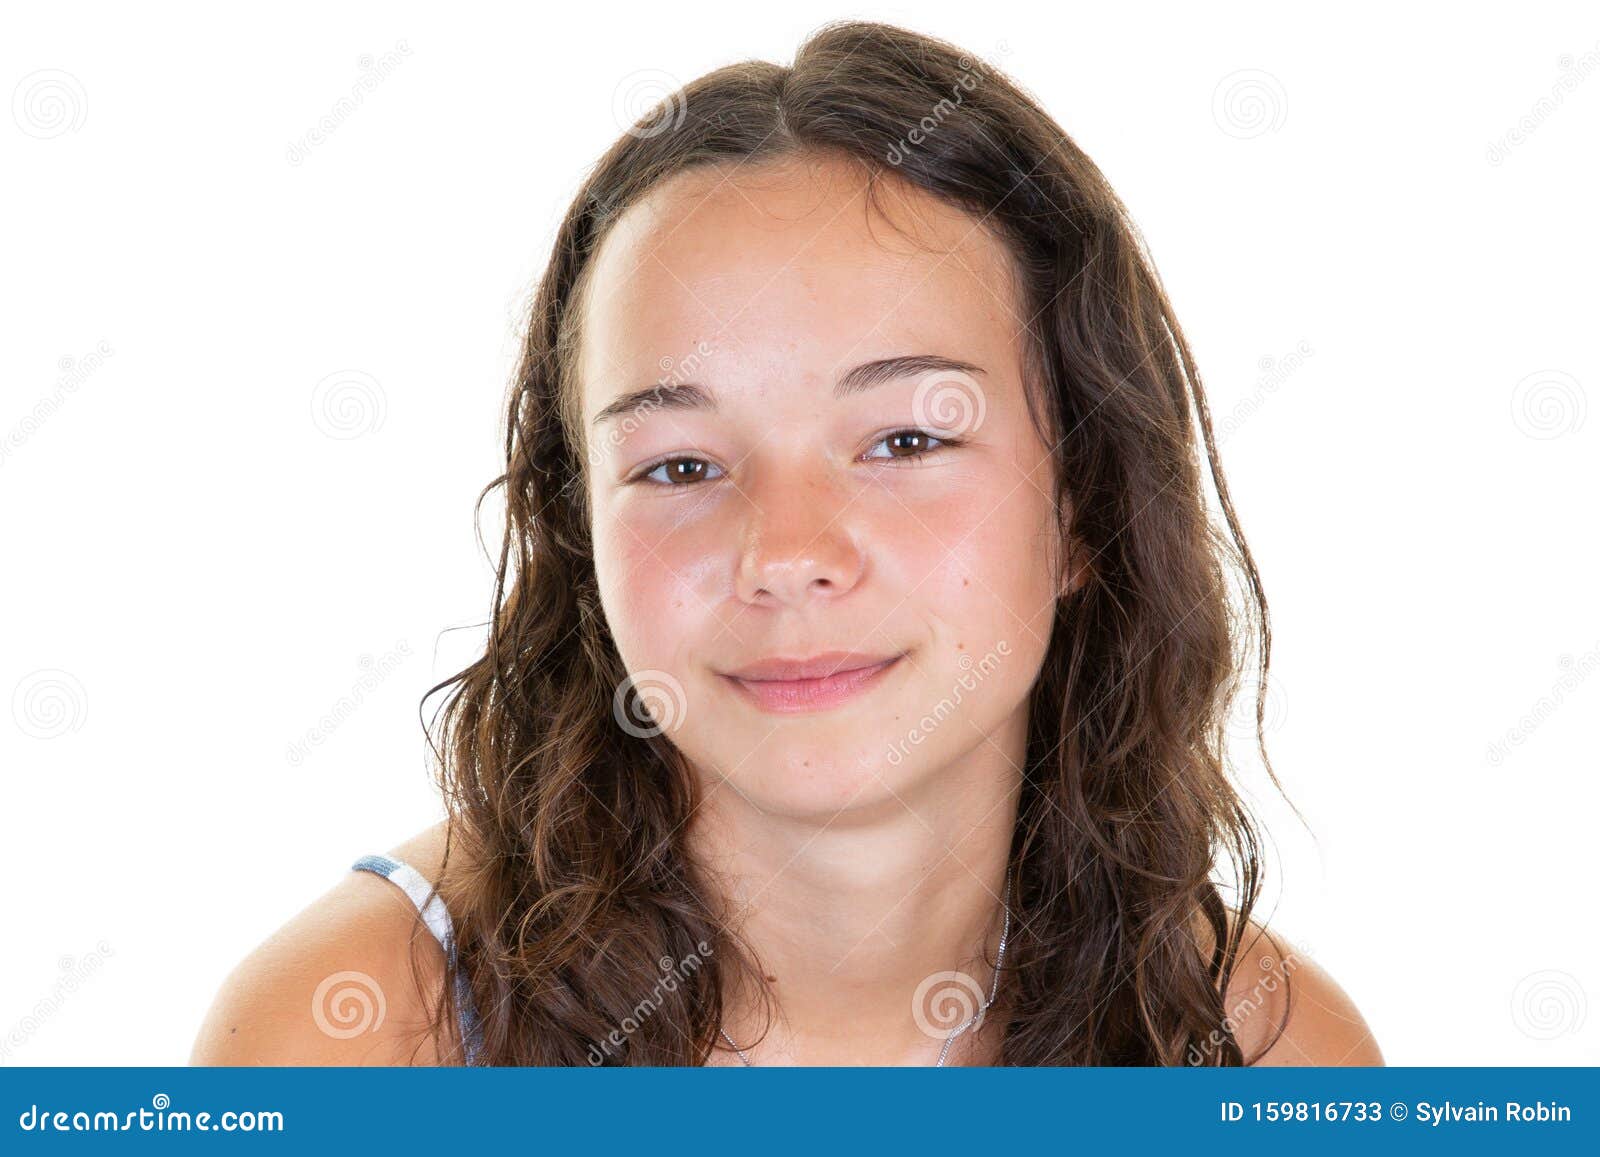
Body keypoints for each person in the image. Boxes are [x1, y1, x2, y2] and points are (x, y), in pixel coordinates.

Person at [192, 18, 1382, 1068]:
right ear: (577, 529)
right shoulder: (347, 1044)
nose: (786, 553)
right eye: (680, 466)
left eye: (907, 440)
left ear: (1084, 506)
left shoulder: (1269, 1064)